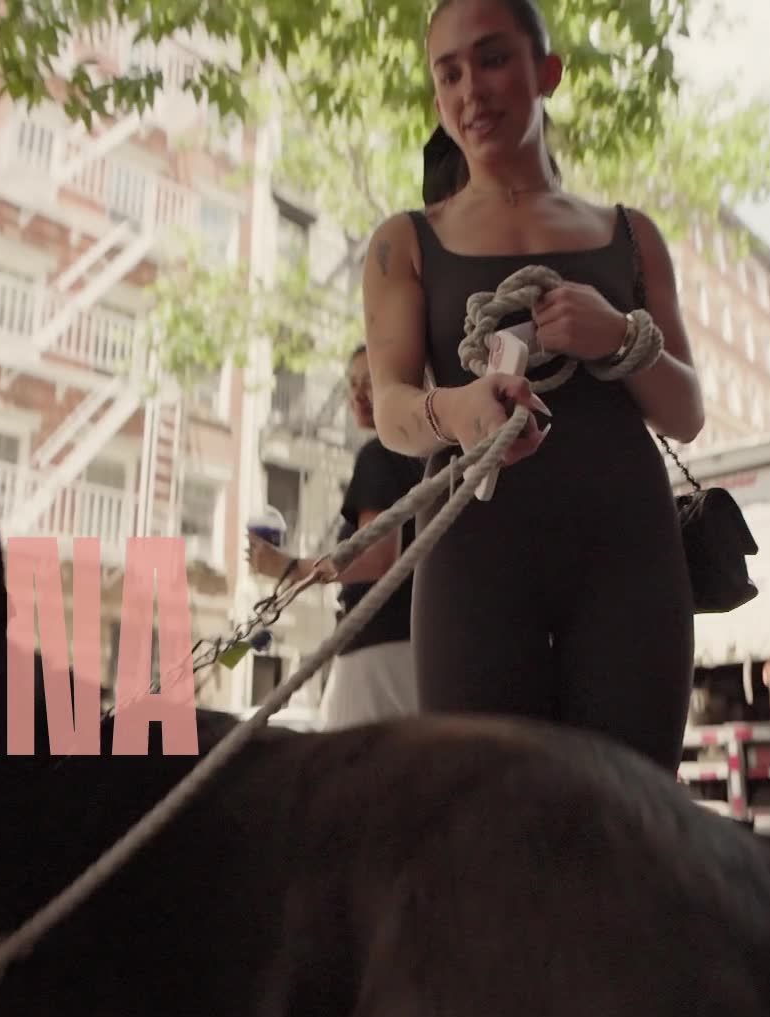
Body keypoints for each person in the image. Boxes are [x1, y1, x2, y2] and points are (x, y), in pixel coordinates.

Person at [358, 0, 704, 771]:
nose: (471, 91)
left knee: (629, 813)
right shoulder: (404, 242)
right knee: (482, 814)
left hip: (628, 560)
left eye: (492, 60)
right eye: (449, 74)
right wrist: (457, 410)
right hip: (472, 562)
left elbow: (686, 414)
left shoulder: (632, 236)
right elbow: (392, 411)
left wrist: (617, 335)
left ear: (547, 71)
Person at [248, 346, 423, 728]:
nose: (358, 394)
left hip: (375, 651)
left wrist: (288, 567)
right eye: (352, 384)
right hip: (414, 647)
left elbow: (377, 557)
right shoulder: (420, 459)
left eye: (370, 382)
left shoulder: (379, 455)